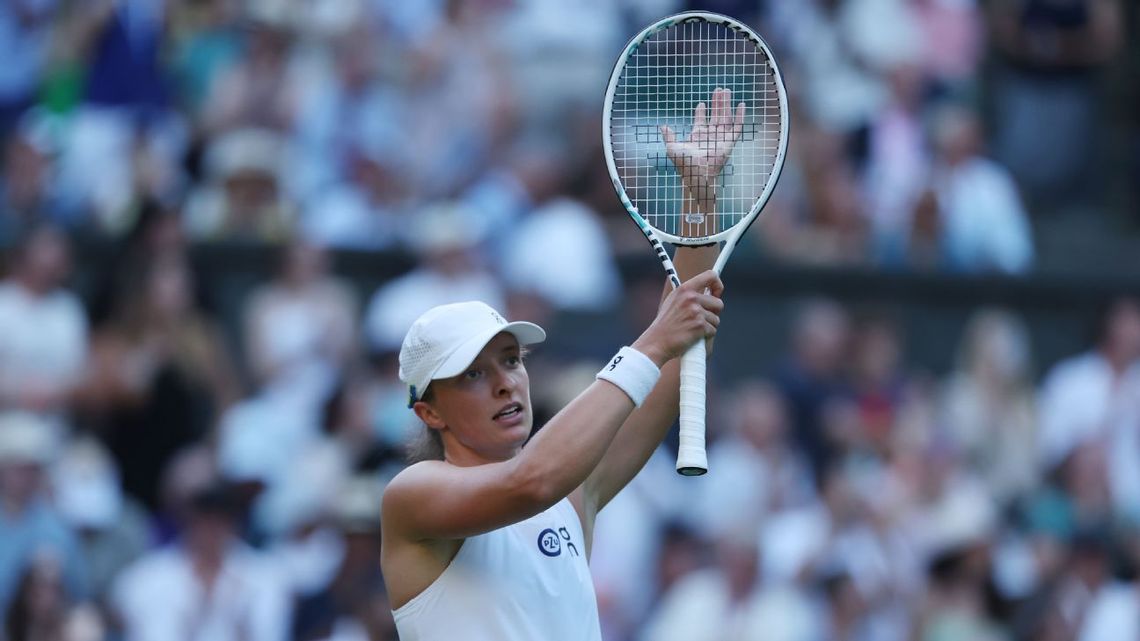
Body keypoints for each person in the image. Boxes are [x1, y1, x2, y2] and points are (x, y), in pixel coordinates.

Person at [380, 89, 741, 640]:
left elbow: (680, 360)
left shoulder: (574, 491)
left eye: (510, 361)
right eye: (475, 374)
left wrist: (697, 203)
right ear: (430, 413)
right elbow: (532, 481)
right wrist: (648, 345)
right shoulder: (414, 496)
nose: (505, 384)